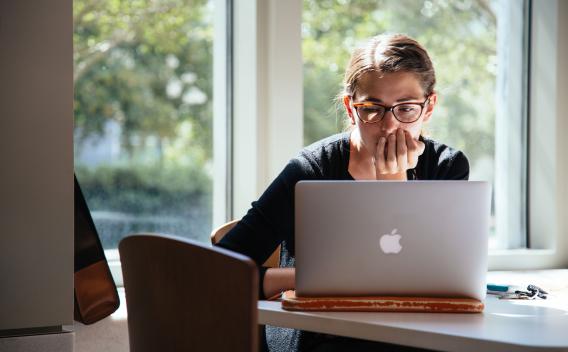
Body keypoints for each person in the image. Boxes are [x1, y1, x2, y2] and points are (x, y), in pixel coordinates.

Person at [217, 33, 469, 352]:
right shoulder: (311, 170)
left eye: (405, 109)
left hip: (409, 331)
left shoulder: (447, 167)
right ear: (351, 108)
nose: (389, 126)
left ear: (429, 106)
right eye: (372, 109)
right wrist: (310, 278)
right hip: (319, 335)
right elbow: (219, 268)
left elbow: (432, 278)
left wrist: (393, 181)